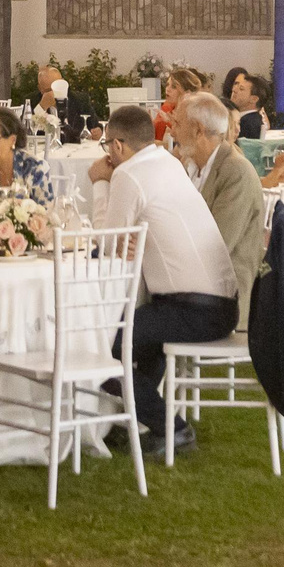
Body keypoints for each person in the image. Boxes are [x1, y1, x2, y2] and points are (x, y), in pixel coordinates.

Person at [89, 105, 236, 453]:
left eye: (108, 145)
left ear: (117, 146)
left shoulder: (128, 175)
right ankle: (138, 421)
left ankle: (172, 428)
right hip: (222, 304)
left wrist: (100, 183)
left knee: (100, 349)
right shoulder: (168, 162)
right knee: (141, 340)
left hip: (192, 308)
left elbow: (109, 246)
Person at [174, 92, 266, 327]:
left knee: (132, 326)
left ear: (198, 130)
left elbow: (217, 247)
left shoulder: (236, 172)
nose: (172, 131)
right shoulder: (191, 165)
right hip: (192, 287)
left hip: (223, 300)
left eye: (177, 124)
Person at [28, 62, 84, 144]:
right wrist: (41, 107)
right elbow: (26, 130)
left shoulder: (79, 99)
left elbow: (95, 125)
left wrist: (97, 131)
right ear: (40, 89)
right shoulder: (31, 101)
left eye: (57, 87)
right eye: (48, 90)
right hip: (46, 148)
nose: (54, 93)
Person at [152, 65, 206, 143]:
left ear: (187, 92)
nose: (167, 89)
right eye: (167, 85)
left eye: (174, 87)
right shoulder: (167, 110)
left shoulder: (194, 115)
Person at [221, 68, 276, 140]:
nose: (234, 90)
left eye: (241, 89)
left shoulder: (247, 124)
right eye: (236, 85)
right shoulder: (250, 120)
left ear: (253, 99)